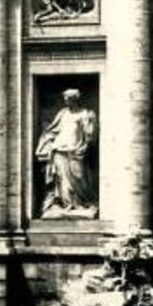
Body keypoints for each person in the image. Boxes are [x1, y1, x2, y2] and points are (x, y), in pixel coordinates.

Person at [35, 89, 98, 218]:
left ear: (75, 99)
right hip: (59, 149)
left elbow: (89, 134)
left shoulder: (85, 114)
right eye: (65, 98)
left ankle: (83, 202)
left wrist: (85, 146)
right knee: (62, 178)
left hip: (76, 150)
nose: (66, 101)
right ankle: (67, 204)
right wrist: (47, 141)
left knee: (79, 176)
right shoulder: (63, 113)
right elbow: (53, 129)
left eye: (68, 98)